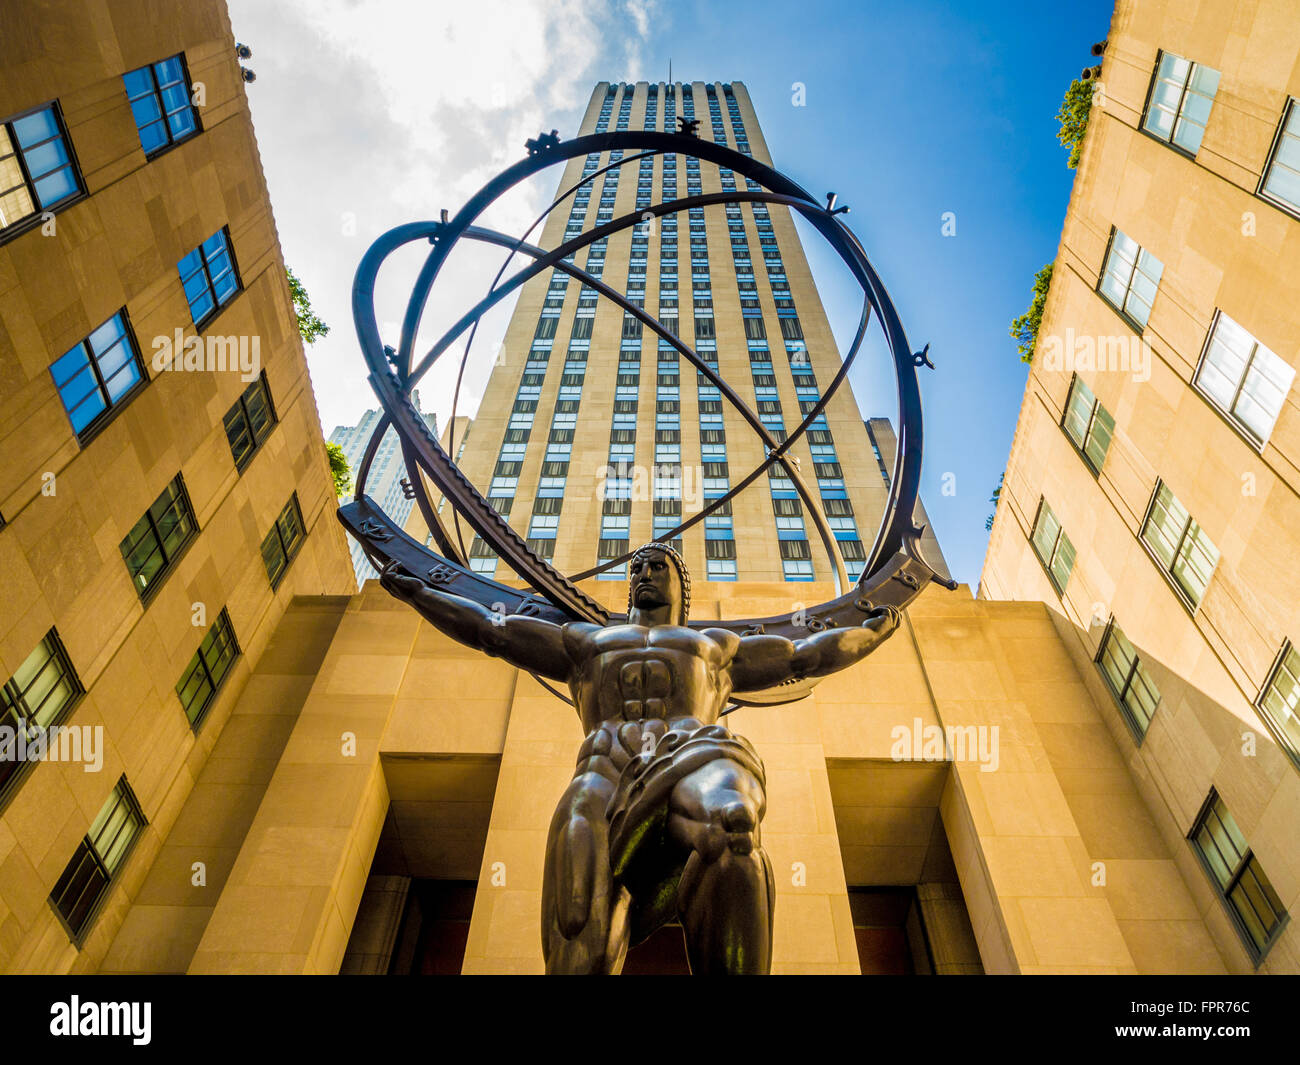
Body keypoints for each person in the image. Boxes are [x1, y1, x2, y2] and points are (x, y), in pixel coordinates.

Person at [381, 541, 900, 974]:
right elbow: (490, 631)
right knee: (578, 926)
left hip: (693, 754)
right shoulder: (585, 641)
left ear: (681, 587)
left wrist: (873, 631)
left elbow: (806, 654)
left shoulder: (713, 645)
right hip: (604, 773)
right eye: (636, 568)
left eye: (658, 567)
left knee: (733, 823)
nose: (644, 575)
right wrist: (419, 593)